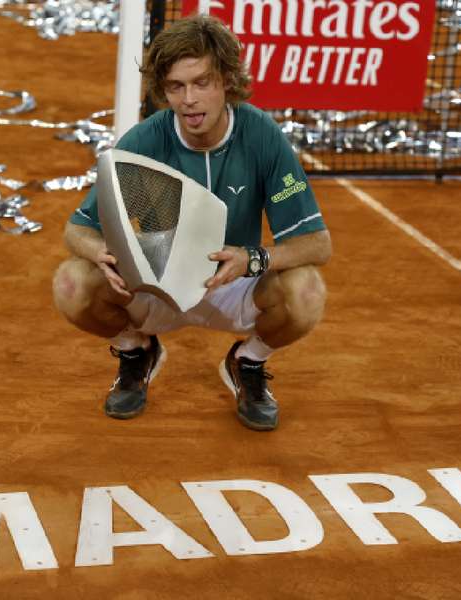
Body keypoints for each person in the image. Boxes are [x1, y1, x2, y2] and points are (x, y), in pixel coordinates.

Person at [53, 14, 331, 431]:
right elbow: (77, 229)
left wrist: (252, 260)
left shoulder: (261, 136)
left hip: (232, 283)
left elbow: (318, 245)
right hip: (158, 286)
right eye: (176, 87)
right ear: (163, 90)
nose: (188, 100)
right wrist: (100, 253)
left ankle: (247, 362)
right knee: (71, 283)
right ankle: (136, 352)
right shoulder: (144, 141)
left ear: (226, 81)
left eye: (201, 82)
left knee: (306, 291)